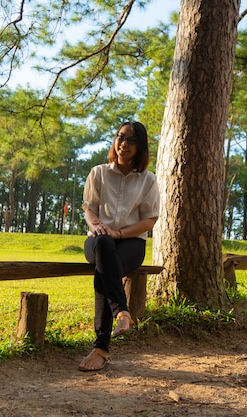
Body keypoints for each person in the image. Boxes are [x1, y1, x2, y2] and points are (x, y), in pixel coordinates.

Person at [78, 121, 160, 372]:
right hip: (99, 241)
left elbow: (150, 219)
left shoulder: (148, 180)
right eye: (120, 137)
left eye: (131, 140)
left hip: (131, 244)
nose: (123, 144)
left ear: (141, 147)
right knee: (103, 247)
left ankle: (101, 348)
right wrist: (97, 226)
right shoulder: (99, 173)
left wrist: (120, 232)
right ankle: (122, 312)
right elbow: (89, 208)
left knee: (105, 271)